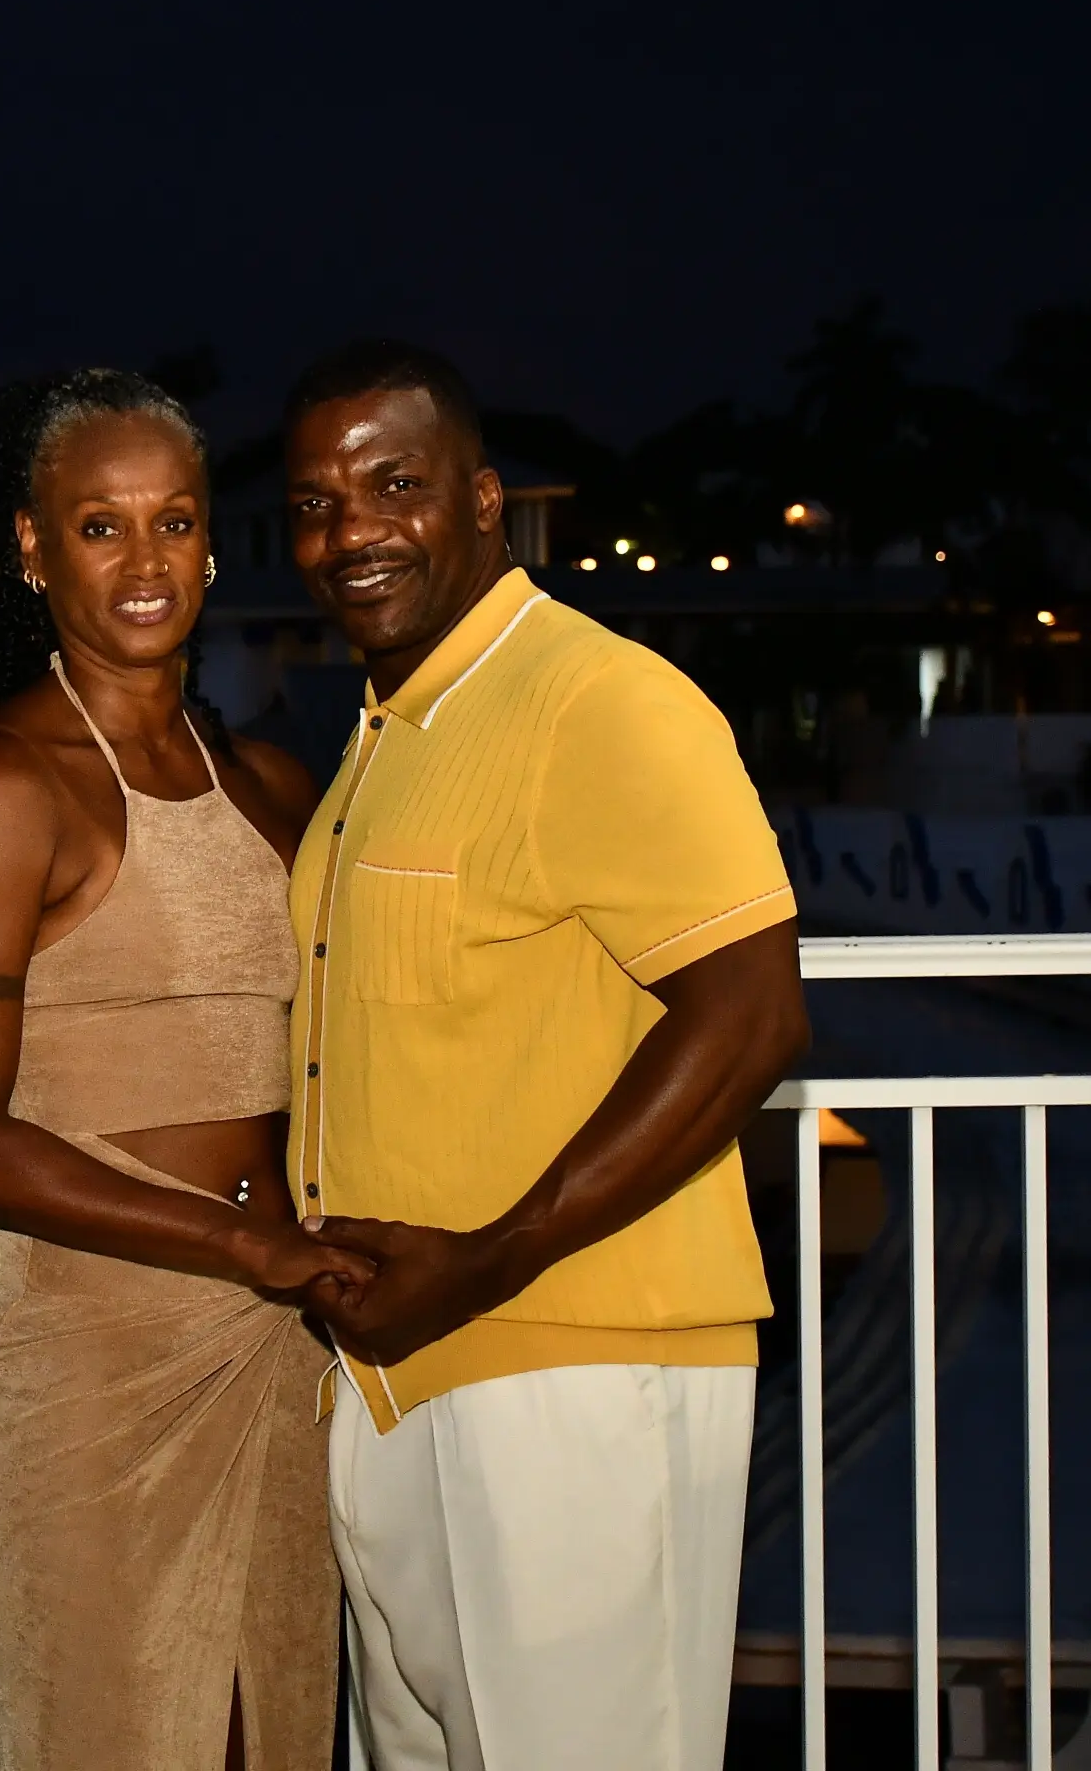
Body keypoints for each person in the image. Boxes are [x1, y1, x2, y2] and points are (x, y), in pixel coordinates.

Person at [279, 340, 811, 1770]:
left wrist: (497, 1255)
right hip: (396, 1375)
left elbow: (753, 1015)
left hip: (570, 1372)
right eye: (315, 504)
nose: (351, 531)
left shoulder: (598, 698)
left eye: (394, 485)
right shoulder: (390, 735)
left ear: (481, 505)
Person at [0, 368, 364, 1771]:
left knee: (261, 1732)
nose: (144, 561)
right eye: (100, 527)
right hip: (88, 1361)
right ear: (35, 552)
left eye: (173, 521)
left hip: (272, 1350)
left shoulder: (272, 784)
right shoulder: (5, 791)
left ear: (215, 543)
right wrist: (242, 1244)